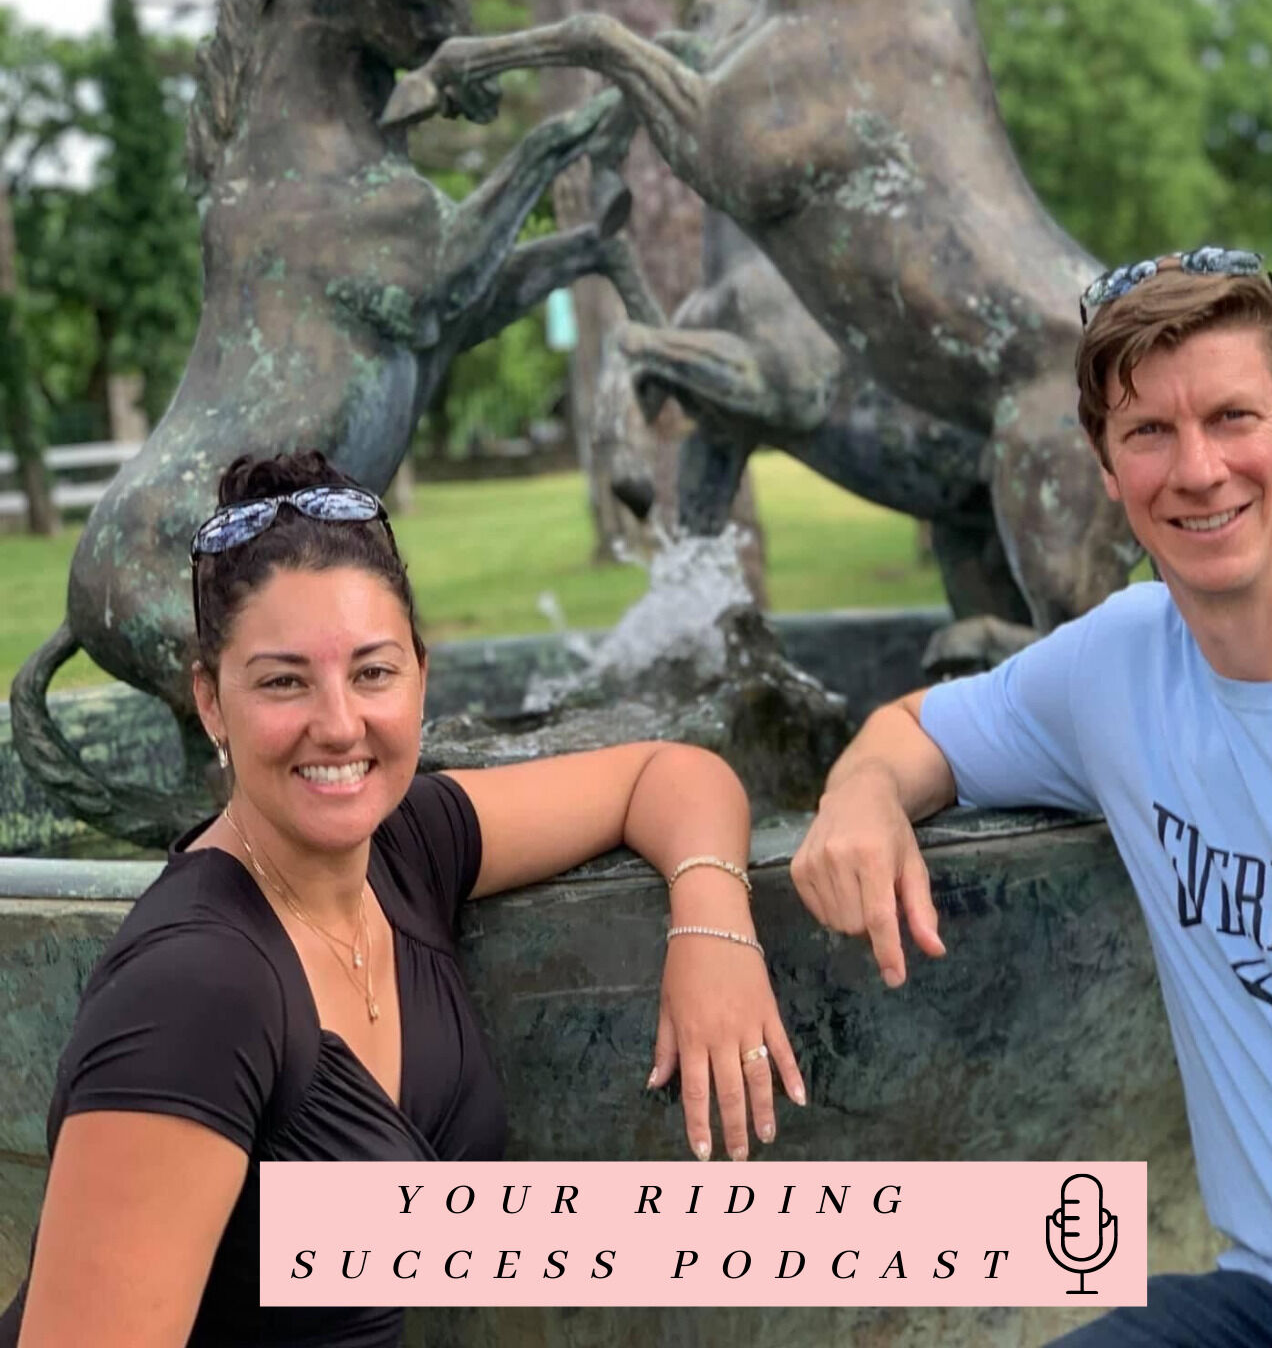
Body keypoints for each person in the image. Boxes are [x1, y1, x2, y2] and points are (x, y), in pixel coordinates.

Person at [2, 450, 805, 1348]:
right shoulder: (195, 994)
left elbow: (670, 773)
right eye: (283, 681)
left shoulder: (405, 848)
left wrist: (714, 928)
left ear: (420, 676)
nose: (339, 723)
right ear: (211, 702)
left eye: (372, 673)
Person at [791, 249, 1272, 1345]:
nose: (1197, 469)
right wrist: (861, 797)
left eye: (1232, 417)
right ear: (1105, 466)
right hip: (1271, 1302)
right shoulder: (1117, 664)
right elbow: (911, 731)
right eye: (1149, 432)